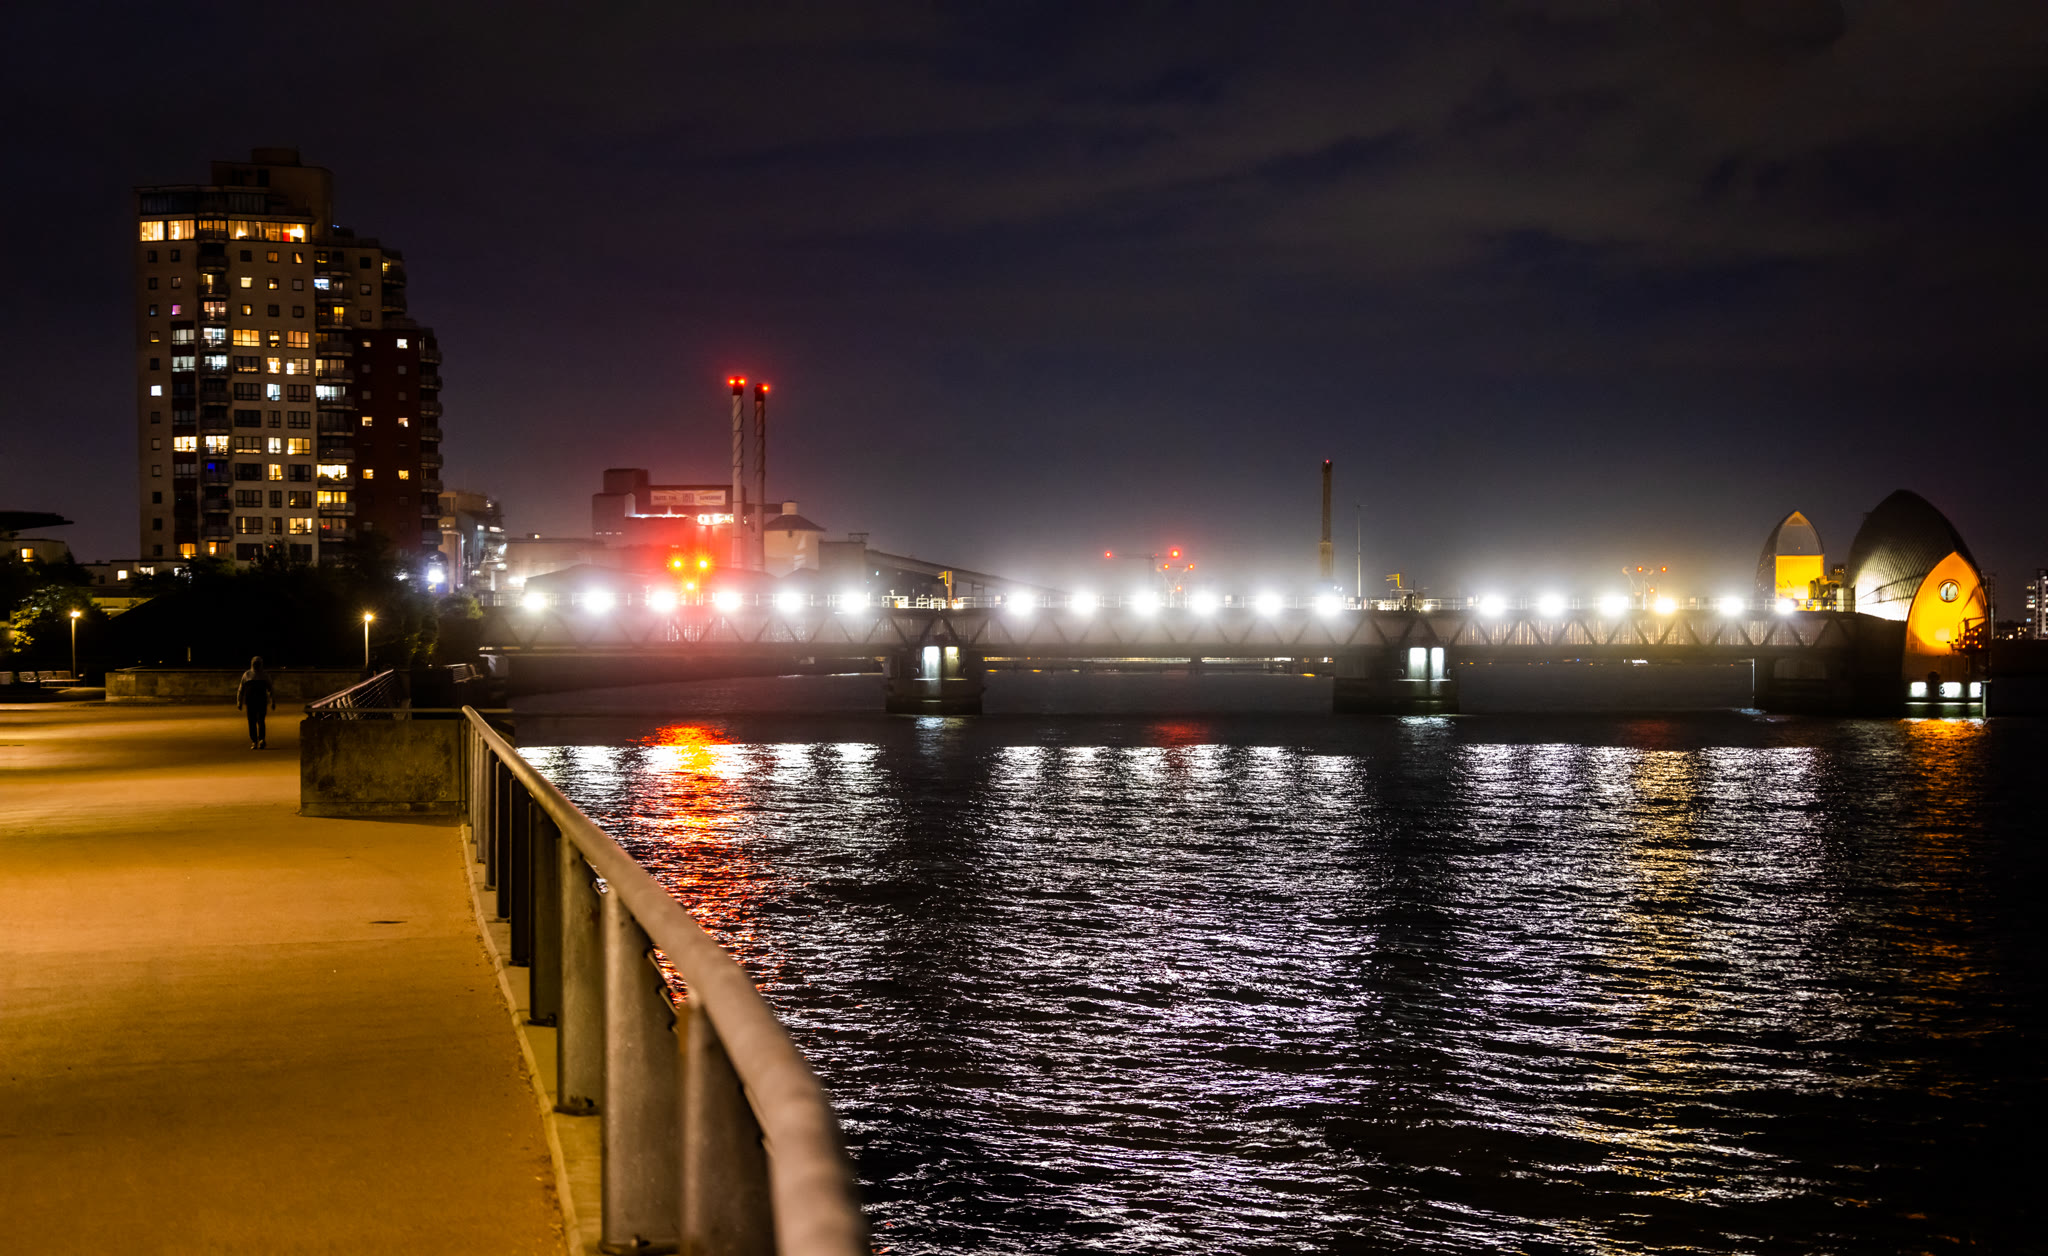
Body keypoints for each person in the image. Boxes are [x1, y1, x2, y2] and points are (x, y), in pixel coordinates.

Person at [236, 656, 275, 750]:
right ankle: (254, 740)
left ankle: (261, 739)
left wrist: (272, 701)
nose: (256, 665)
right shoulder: (247, 675)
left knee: (261, 720)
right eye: (255, 663)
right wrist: (239, 701)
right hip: (250, 702)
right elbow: (241, 689)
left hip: (262, 701)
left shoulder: (265, 675)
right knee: (251, 721)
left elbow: (271, 689)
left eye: (258, 663)